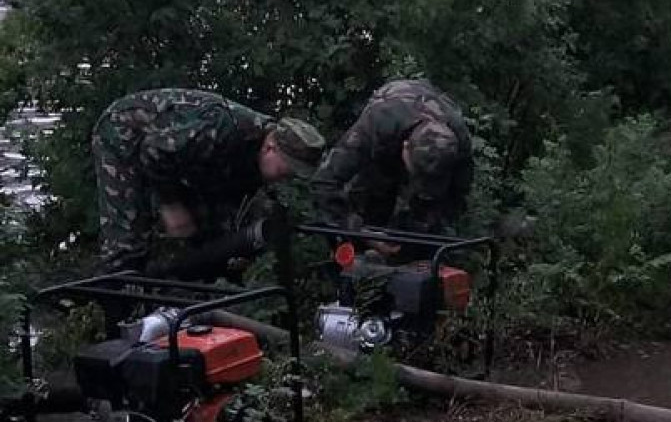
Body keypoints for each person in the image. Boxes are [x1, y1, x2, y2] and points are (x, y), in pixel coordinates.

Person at [93, 88, 326, 273]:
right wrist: (171, 204)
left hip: (178, 158)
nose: (288, 177)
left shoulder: (253, 156)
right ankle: (115, 319)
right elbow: (153, 152)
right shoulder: (220, 128)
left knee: (205, 239)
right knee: (126, 243)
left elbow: (225, 200)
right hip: (128, 133)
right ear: (270, 148)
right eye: (288, 169)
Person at [311, 79, 473, 252]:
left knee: (429, 219)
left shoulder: (458, 141)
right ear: (405, 148)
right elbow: (324, 182)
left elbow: (457, 196)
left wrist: (422, 229)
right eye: (417, 174)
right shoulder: (377, 124)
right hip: (390, 120)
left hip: (425, 106)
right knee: (371, 199)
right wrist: (362, 233)